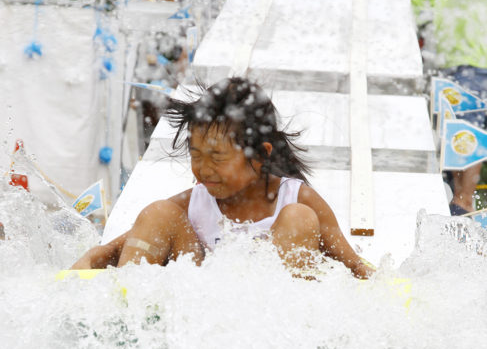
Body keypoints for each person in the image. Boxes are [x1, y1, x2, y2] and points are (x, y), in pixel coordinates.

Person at [73, 77, 373, 278]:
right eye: (196, 154)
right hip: (204, 308)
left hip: (275, 314)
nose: (203, 169)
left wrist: (381, 287)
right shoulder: (195, 200)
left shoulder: (297, 198)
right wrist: (93, 257)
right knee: (158, 212)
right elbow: (128, 240)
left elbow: (353, 264)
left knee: (299, 219)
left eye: (217, 157)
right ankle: (128, 306)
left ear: (260, 154)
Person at [414, 0, 487, 214]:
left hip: (475, 62)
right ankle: (450, 202)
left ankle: (464, 201)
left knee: (470, 128)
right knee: (445, 133)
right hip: (442, 65)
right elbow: (421, 5)